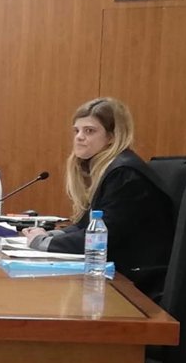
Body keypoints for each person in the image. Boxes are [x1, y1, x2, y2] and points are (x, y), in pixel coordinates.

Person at [23, 97, 174, 293]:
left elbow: (101, 238)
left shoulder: (125, 175)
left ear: (112, 137)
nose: (79, 137)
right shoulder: (112, 169)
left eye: (89, 131)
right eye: (76, 131)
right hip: (119, 275)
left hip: (136, 285)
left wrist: (43, 243)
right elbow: (86, 225)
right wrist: (51, 235)